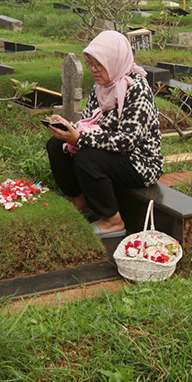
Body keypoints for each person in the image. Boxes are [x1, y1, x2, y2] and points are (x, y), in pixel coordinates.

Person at [44, 30, 163, 238]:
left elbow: (128, 140)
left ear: (114, 60)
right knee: (56, 145)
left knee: (87, 156)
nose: (93, 70)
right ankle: (82, 200)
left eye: (99, 65)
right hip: (111, 153)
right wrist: (68, 127)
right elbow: (89, 123)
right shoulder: (102, 87)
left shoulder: (136, 88)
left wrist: (80, 138)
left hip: (140, 161)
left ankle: (112, 220)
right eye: (91, 64)